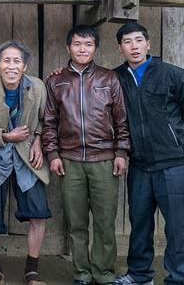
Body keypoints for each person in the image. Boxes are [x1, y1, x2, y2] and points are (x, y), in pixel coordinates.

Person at [112, 22, 184, 285]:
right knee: (139, 223)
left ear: (148, 44)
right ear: (120, 47)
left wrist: (177, 134)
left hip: (171, 165)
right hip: (140, 164)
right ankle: (140, 275)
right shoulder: (116, 77)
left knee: (176, 226)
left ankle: (177, 278)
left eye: (139, 40)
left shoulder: (172, 74)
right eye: (128, 42)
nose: (134, 46)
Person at [43, 25, 130, 285]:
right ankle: (81, 273)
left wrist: (122, 152)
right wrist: (53, 154)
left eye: (89, 44)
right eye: (78, 44)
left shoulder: (109, 78)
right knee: (77, 223)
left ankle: (103, 273)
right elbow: (49, 122)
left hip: (104, 160)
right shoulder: (56, 81)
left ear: (95, 48)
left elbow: (122, 120)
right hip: (69, 161)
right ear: (68, 47)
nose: (83, 49)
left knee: (104, 222)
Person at [0, 40, 52, 285]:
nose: (11, 66)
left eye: (17, 61)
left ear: (25, 66)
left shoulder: (36, 87)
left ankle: (32, 270)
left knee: (38, 214)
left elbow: (45, 119)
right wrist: (5, 136)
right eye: (6, 60)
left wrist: (38, 139)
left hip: (27, 157)